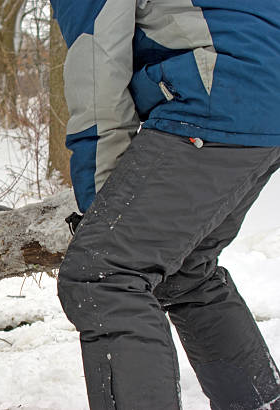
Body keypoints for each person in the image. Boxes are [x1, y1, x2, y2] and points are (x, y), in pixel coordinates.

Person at [51, 0, 280, 409]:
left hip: (218, 94)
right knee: (187, 270)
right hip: (261, 98)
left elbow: (97, 67)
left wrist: (102, 208)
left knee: (103, 273)